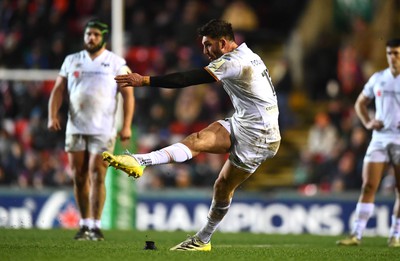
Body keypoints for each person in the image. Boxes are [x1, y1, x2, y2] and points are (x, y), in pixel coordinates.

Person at [102, 19, 281, 251]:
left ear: (224, 43)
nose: (205, 51)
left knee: (223, 187)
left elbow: (188, 80)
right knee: (196, 140)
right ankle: (140, 161)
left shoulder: (234, 62)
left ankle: (203, 239)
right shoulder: (246, 54)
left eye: (208, 45)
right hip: (244, 123)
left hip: (260, 136)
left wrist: (144, 80)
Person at [47, 18, 134, 241]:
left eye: (95, 34)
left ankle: (95, 224)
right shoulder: (72, 60)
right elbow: (58, 89)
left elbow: (128, 94)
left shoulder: (116, 62)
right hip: (75, 127)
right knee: (79, 176)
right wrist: (52, 115)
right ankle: (84, 223)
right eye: (88, 34)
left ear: (103, 37)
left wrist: (126, 125)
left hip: (103, 129)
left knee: (98, 174)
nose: (91, 38)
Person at [336, 38, 400, 247]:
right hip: (379, 139)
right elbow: (360, 103)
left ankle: (395, 235)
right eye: (390, 53)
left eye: (397, 53)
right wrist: (368, 122)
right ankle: (356, 234)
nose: (393, 57)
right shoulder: (378, 78)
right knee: (368, 185)